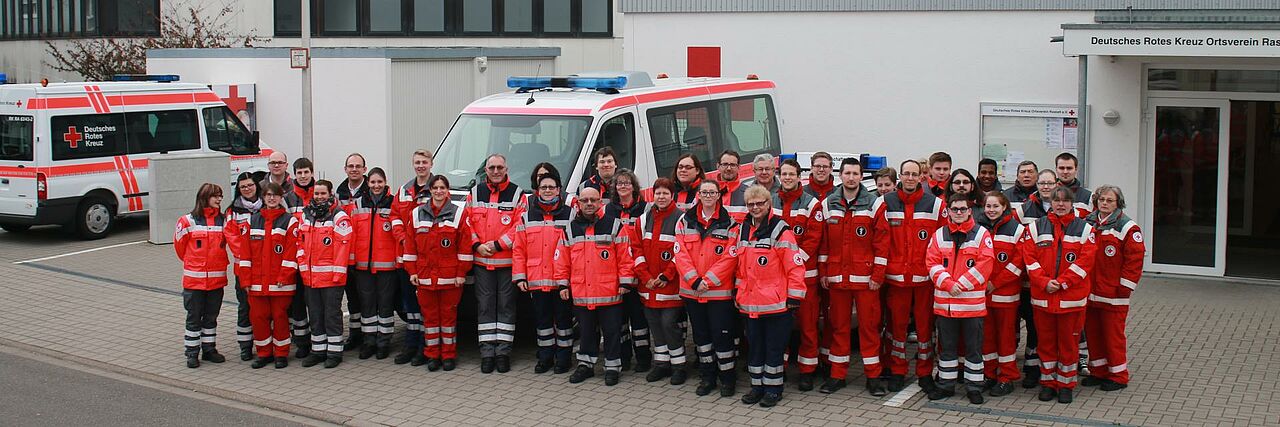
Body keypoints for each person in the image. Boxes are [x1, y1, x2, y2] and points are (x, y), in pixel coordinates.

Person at [873, 159, 945, 393]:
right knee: (896, 328)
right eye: (906, 174)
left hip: (925, 280)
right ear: (900, 177)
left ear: (921, 177)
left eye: (915, 174)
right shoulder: (885, 203)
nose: (911, 178)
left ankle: (925, 373)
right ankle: (897, 371)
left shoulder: (935, 205)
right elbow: (878, 242)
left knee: (925, 330)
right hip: (896, 279)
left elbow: (942, 243)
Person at [818, 157, 888, 396]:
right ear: (840, 175)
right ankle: (837, 375)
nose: (851, 177)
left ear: (861, 176)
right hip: (837, 278)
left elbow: (882, 242)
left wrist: (878, 275)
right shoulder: (828, 203)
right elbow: (824, 243)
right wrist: (824, 271)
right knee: (839, 327)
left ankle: (874, 377)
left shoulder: (874, 204)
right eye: (847, 173)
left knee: (869, 328)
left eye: (855, 174)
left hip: (866, 279)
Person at [556, 186, 636, 386]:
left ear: (601, 202)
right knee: (586, 332)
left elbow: (625, 257)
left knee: (612, 332)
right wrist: (562, 284)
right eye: (585, 200)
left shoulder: (614, 226)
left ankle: (612, 367)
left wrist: (625, 281)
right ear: (578, 203)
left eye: (593, 200)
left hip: (610, 293)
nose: (589, 204)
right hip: (582, 293)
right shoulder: (569, 229)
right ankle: (586, 365)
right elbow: (561, 260)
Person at [735, 185, 806, 408]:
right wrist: (737, 294)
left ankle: (773, 389)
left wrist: (794, 297)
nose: (755, 208)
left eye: (760, 203)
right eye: (751, 204)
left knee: (773, 349)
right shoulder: (743, 229)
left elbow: (795, 267)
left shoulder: (780, 230)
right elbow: (740, 268)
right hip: (750, 304)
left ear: (768, 204)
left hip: (776, 305)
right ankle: (757, 387)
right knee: (755, 347)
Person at [1024, 185, 1096, 404]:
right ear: (1051, 203)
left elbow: (1086, 262)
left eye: (1065, 201)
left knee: (1068, 344)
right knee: (1045, 343)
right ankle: (1047, 383)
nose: (1061, 204)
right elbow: (1029, 259)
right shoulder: (1036, 228)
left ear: (1072, 203)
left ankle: (1065, 384)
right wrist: (1045, 282)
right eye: (1057, 200)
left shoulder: (1085, 229)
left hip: (1071, 300)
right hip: (1043, 297)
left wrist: (1062, 283)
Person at [925, 193, 995, 404]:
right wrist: (948, 284)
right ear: (948, 211)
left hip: (971, 306)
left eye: (962, 209)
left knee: (973, 350)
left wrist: (960, 285)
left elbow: (986, 265)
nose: (958, 213)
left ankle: (974, 387)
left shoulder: (982, 234)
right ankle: (946, 386)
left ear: (969, 211)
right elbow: (931, 262)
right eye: (954, 209)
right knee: (947, 349)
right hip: (945, 305)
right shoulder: (938, 235)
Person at [673, 179, 741, 398]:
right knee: (701, 338)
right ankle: (707, 376)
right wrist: (694, 281)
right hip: (692, 292)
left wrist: (707, 281)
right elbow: (679, 252)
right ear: (699, 195)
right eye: (705, 192)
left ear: (719, 196)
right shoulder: (685, 220)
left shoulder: (730, 223)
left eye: (713, 192)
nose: (709, 196)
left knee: (722, 337)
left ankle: (728, 378)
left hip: (718, 294)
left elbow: (731, 257)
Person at [403, 175, 474, 373]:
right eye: (435, 188)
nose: (439, 191)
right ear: (430, 190)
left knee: (449, 319)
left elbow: (465, 247)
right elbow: (410, 246)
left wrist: (461, 273)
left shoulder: (459, 214)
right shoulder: (417, 214)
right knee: (430, 320)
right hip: (425, 277)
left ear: (447, 190)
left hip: (451, 278)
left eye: (442, 188)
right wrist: (412, 271)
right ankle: (432, 355)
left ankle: (449, 355)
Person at [1081, 185, 1144, 392]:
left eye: (1110, 200)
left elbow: (1134, 260)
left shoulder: (1127, 227)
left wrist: (1125, 286)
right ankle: (1098, 371)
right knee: (1093, 333)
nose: (1105, 203)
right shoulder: (1089, 223)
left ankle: (1118, 375)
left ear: (1118, 203)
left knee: (1113, 336)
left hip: (1114, 294)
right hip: (1091, 293)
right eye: (1102, 200)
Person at [467, 154, 525, 373]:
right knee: (485, 307)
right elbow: (467, 223)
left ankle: (503, 353)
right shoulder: (475, 192)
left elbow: (520, 225)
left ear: (506, 168)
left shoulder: (517, 194)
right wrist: (477, 246)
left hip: (506, 263)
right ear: (486, 170)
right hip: (482, 263)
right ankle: (486, 352)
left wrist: (499, 245)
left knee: (506, 308)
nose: (496, 171)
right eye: (492, 167)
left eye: (500, 167)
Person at [513, 172, 576, 375]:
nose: (547, 191)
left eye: (551, 187)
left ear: (559, 190)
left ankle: (564, 358)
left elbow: (575, 249)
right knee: (542, 322)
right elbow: (519, 249)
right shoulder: (527, 216)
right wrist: (520, 276)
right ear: (537, 191)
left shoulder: (570, 214)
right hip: (537, 280)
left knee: (564, 322)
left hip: (561, 281)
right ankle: (545, 357)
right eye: (543, 188)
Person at [230, 183, 298, 369]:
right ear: (263, 197)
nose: (271, 198)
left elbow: (291, 253)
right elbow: (245, 255)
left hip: (280, 284)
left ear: (281, 197)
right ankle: (264, 353)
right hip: (257, 284)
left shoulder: (289, 221)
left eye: (275, 195)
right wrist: (245, 279)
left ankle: (281, 354)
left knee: (280, 317)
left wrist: (284, 276)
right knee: (258, 318)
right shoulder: (253, 221)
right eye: (268, 195)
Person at [773, 159, 825, 391]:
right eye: (783, 174)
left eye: (791, 174)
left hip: (806, 277)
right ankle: (780, 368)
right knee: (780, 326)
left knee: (807, 326)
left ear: (798, 176)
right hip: (777, 277)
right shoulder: (771, 200)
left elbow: (813, 239)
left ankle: (807, 371)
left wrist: (792, 261)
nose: (787, 178)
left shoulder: (811, 204)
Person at [634, 178, 688, 386]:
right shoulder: (643, 219)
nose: (662, 197)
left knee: (669, 324)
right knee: (655, 325)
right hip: (648, 286)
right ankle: (662, 364)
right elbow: (636, 249)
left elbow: (682, 251)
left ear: (672, 195)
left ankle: (679, 365)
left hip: (670, 286)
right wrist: (645, 277)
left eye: (666, 193)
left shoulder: (681, 218)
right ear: (652, 195)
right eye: (658, 193)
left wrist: (666, 276)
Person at [295, 180, 354, 369]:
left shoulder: (339, 217)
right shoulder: (306, 216)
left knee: (331, 315)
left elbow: (342, 249)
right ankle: (318, 351)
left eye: (323, 194)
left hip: (332, 278)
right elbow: (300, 244)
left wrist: (337, 276)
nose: (320, 197)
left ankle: (334, 352)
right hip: (310, 277)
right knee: (315, 314)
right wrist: (303, 268)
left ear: (330, 194)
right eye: (317, 194)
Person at [175, 183, 234, 368]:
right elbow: (180, 248)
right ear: (204, 197)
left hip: (216, 281)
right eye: (215, 196)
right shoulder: (187, 221)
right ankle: (192, 353)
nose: (219, 200)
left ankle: (209, 349)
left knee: (211, 317)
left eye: (220, 196)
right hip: (194, 282)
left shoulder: (224, 221)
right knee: (194, 317)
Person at [976, 191, 1028, 398]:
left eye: (995, 206)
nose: (991, 210)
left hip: (1006, 296)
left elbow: (1018, 263)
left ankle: (1006, 377)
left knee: (1005, 338)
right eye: (988, 206)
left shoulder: (1017, 229)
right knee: (986, 338)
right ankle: (989, 374)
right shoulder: (978, 228)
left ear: (1004, 206)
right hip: (982, 295)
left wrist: (995, 283)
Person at [349, 167, 400, 360]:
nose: (376, 186)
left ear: (385, 182)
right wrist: (352, 261)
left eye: (379, 182)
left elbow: (397, 234)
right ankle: (369, 341)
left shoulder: (393, 203)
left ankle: (384, 342)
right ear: (367, 183)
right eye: (372, 182)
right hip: (363, 266)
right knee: (367, 305)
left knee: (385, 305)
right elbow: (352, 234)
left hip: (387, 266)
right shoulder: (358, 203)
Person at [390, 150, 434, 365]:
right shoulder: (404, 190)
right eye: (417, 162)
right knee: (409, 306)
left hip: (426, 259)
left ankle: (425, 347)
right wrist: (403, 238)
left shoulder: (437, 188)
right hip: (405, 257)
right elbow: (395, 216)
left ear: (431, 164)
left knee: (425, 305)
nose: (420, 166)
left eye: (424, 162)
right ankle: (410, 344)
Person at [607, 169, 652, 373]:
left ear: (634, 186)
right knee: (620, 319)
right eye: (619, 183)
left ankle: (643, 357)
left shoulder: (645, 209)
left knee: (639, 318)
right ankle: (624, 357)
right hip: (616, 271)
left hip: (639, 270)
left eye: (626, 183)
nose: (623, 186)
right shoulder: (608, 211)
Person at [227, 172, 262, 361]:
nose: (247, 189)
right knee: (245, 308)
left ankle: (264, 342)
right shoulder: (232, 212)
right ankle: (245, 345)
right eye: (243, 187)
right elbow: (232, 238)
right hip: (244, 269)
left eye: (250, 185)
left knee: (264, 307)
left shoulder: (266, 206)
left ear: (256, 186)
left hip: (265, 268)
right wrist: (250, 254)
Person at [336, 153, 369, 351]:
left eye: (358, 166)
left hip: (365, 254)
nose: (354, 169)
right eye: (351, 166)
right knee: (352, 298)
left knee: (366, 297)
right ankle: (354, 334)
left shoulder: (371, 190)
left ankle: (367, 336)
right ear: (345, 169)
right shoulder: (338, 194)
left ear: (364, 169)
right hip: (345, 255)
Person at [284, 157, 314, 360]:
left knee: (315, 302)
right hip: (295, 259)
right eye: (300, 173)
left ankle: (319, 338)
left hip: (315, 260)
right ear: (294, 175)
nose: (303, 176)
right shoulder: (287, 198)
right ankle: (302, 342)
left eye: (306, 172)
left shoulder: (320, 194)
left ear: (312, 173)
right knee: (297, 304)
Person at [1055, 153, 1092, 217]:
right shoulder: (1047, 194)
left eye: (1069, 168)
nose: (1065, 172)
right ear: (1056, 169)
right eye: (1061, 168)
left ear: (1076, 169)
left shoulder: (1088, 197)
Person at [716, 150, 747, 221]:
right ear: (718, 166)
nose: (729, 168)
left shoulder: (749, 193)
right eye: (725, 164)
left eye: (733, 165)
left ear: (739, 167)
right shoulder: (707, 192)